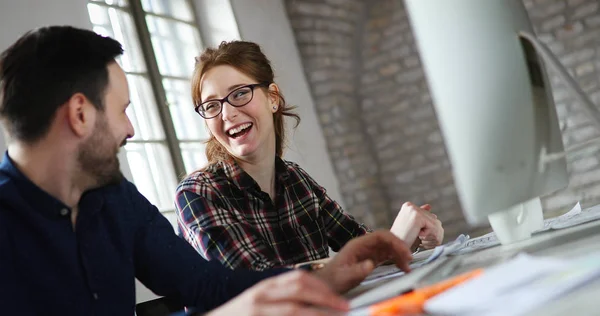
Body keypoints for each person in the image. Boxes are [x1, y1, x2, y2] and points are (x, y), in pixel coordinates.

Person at [0, 26, 414, 315]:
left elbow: (206, 285)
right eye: (123, 110)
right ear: (79, 114)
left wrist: (325, 274)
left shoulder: (114, 199)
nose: (130, 130)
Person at [175, 40, 445, 271]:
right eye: (211, 105)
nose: (227, 113)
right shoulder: (197, 194)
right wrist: (394, 240)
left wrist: (416, 235)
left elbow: (361, 247)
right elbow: (263, 286)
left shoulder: (295, 180)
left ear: (272, 98)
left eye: (240, 93)